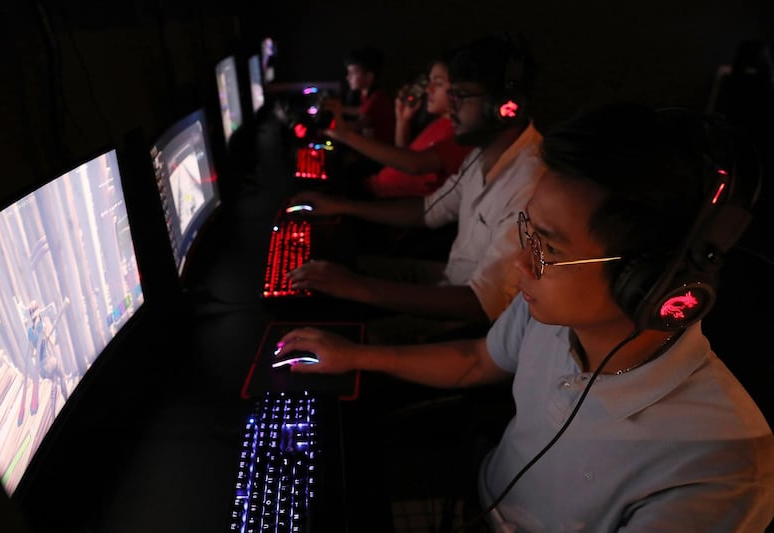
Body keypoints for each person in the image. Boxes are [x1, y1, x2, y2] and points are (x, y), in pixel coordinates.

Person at [274, 103, 774, 531]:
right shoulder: (548, 313)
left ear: (650, 281)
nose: (520, 263)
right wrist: (356, 354)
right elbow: (476, 359)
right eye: (526, 232)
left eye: (548, 247)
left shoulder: (717, 465)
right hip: (473, 492)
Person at [286, 34, 543, 341]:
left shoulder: (530, 185)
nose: (450, 109)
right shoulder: (481, 153)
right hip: (449, 279)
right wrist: (343, 206)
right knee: (336, 266)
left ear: (504, 107)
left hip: (468, 325)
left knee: (344, 331)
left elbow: (479, 304)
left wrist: (357, 288)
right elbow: (428, 210)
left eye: (459, 96)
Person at [321, 51, 473, 198]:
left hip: (386, 197)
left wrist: (345, 135)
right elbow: (404, 157)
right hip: (377, 184)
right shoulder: (439, 122)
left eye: (438, 83)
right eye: (429, 82)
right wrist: (403, 121)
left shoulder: (459, 133)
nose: (428, 89)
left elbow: (415, 164)